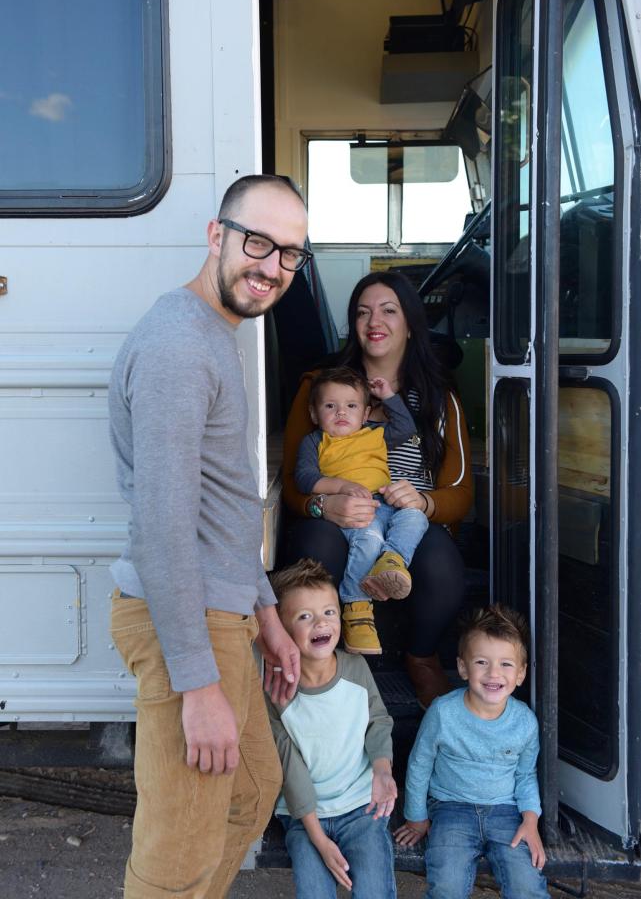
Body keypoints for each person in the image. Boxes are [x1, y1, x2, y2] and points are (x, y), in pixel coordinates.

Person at [108, 174, 310, 899]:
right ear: (216, 234)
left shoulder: (213, 335)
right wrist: (197, 684)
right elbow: (162, 528)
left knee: (252, 790)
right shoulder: (178, 347)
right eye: (258, 241)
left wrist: (264, 613)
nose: (271, 266)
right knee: (176, 855)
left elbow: (220, 508)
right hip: (182, 620)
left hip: (221, 610)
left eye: (290, 254)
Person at [282, 270, 473, 707]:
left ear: (410, 323)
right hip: (341, 519)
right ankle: (323, 665)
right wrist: (322, 506)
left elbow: (462, 491)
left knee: (443, 567)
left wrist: (425, 501)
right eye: (363, 312)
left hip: (408, 522)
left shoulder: (438, 396)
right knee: (316, 544)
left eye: (390, 310)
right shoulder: (320, 387)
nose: (375, 321)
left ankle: (421, 658)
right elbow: (296, 482)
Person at [394, 604, 550, 899]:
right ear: (463, 668)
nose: (494, 673)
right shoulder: (443, 712)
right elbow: (419, 765)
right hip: (451, 809)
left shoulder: (524, 721)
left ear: (520, 674)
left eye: (506, 664)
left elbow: (526, 775)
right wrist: (416, 816)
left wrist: (531, 821)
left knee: (527, 885)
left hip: (507, 812)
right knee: (447, 885)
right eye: (481, 662)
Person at [266, 558, 398, 898]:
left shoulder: (355, 669)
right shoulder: (277, 691)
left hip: (361, 808)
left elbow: (378, 720)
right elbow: (290, 768)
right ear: (280, 630)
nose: (320, 623)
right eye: (304, 617)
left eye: (328, 612)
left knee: (373, 892)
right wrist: (318, 839)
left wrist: (382, 769)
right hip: (303, 817)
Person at [295, 365, 428, 655]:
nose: (341, 413)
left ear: (365, 414)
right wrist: (340, 486)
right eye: (330, 406)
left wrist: (389, 396)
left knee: (415, 518)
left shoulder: (374, 433)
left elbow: (406, 427)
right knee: (369, 541)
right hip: (353, 510)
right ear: (315, 414)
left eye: (351, 406)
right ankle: (357, 611)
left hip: (386, 503)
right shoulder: (316, 441)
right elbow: (304, 478)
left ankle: (392, 561)